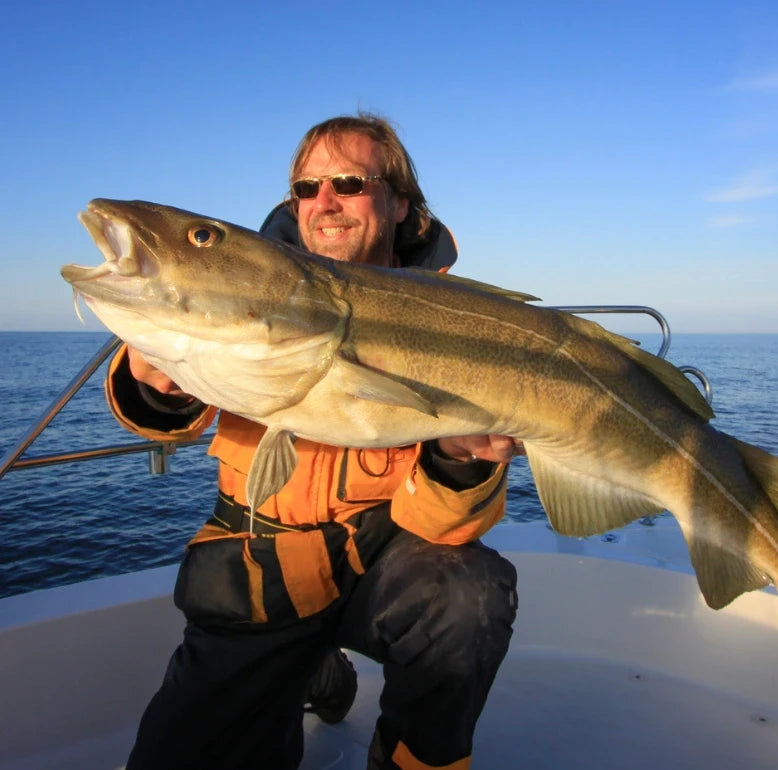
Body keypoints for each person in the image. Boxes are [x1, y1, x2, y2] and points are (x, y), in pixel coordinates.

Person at [107, 114, 520, 770]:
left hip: (391, 557)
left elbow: (445, 525)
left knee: (470, 595)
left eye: (349, 183)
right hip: (260, 563)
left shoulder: (461, 320)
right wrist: (157, 377)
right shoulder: (252, 283)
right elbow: (164, 413)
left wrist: (457, 455)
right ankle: (315, 670)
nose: (323, 202)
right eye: (305, 188)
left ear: (400, 203)